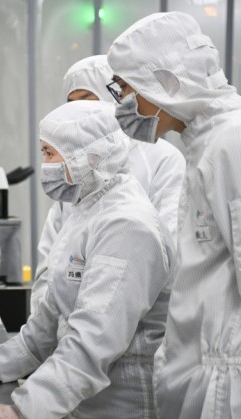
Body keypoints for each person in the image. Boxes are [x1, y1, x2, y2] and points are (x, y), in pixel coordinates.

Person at [107, 11, 241, 419]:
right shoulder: (207, 142)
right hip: (212, 389)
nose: (121, 102)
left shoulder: (238, 140)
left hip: (237, 401)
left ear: (165, 81)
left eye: (124, 87)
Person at [0, 101, 173, 419]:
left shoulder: (127, 226)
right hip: (81, 404)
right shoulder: (88, 210)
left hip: (120, 411)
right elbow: (53, 314)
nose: (45, 166)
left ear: (89, 157)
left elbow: (94, 338)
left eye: (50, 154)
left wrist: (24, 410)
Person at [31, 55, 185, 315]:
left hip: (133, 320)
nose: (78, 112)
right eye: (71, 104)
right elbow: (52, 256)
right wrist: (44, 321)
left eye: (88, 100)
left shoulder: (162, 160)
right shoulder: (74, 169)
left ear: (115, 98)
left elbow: (165, 255)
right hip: (72, 324)